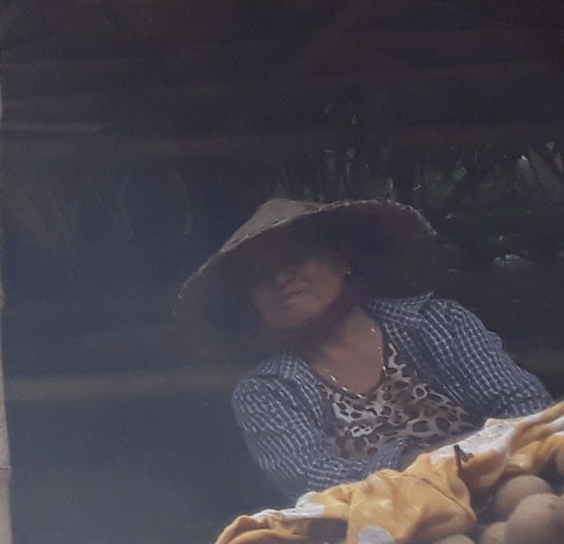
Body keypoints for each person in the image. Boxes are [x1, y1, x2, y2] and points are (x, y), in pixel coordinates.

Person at [180, 197, 547, 500]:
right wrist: (430, 460)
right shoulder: (265, 392)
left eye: (294, 259)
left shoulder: (438, 323)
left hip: (510, 490)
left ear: (342, 262)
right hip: (379, 535)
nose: (279, 279)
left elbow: (526, 407)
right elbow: (315, 483)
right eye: (260, 277)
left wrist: (476, 460)